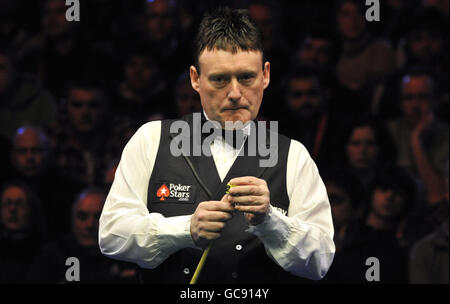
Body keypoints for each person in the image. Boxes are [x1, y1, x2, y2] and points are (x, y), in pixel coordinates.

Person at [99, 7, 335, 284]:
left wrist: (271, 222)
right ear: (195, 79)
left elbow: (320, 261)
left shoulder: (293, 156)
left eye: (246, 77)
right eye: (220, 79)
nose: (235, 93)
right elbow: (111, 234)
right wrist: (185, 229)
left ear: (266, 75)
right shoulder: (151, 139)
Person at [27, 188, 140, 283]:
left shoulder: (128, 256)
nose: (90, 225)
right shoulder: (53, 256)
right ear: (72, 219)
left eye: (98, 217)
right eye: (82, 216)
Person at [5, 126, 83, 238]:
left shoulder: (66, 190)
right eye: (22, 151)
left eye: (36, 150)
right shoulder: (5, 188)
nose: (29, 157)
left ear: (49, 154)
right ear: (13, 156)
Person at [386, 70, 448, 205]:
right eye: (408, 98)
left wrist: (416, 139)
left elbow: (438, 196)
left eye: (422, 97)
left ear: (436, 100)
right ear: (400, 103)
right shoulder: (387, 131)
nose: (415, 105)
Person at [0, 181, 47, 283]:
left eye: (19, 204)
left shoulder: (46, 253)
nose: (12, 209)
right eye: (7, 203)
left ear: (31, 209)